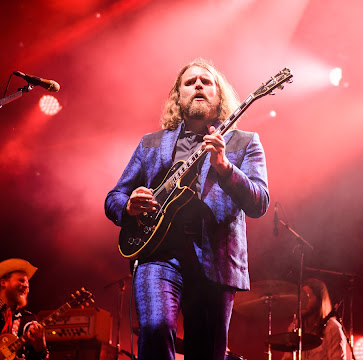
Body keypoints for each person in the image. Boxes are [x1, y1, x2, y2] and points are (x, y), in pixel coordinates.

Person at [105, 58, 269, 360]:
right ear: (177, 96)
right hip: (158, 255)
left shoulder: (244, 143)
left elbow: (259, 202)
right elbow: (114, 196)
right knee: (154, 329)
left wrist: (225, 168)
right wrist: (128, 206)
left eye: (206, 82)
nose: (198, 86)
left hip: (216, 261)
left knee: (207, 352)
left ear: (218, 96)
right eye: (190, 82)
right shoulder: (151, 144)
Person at [282, 278, 348, 360]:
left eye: (308, 297)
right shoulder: (294, 327)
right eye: (301, 298)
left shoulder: (332, 328)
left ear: (319, 300)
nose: (303, 302)